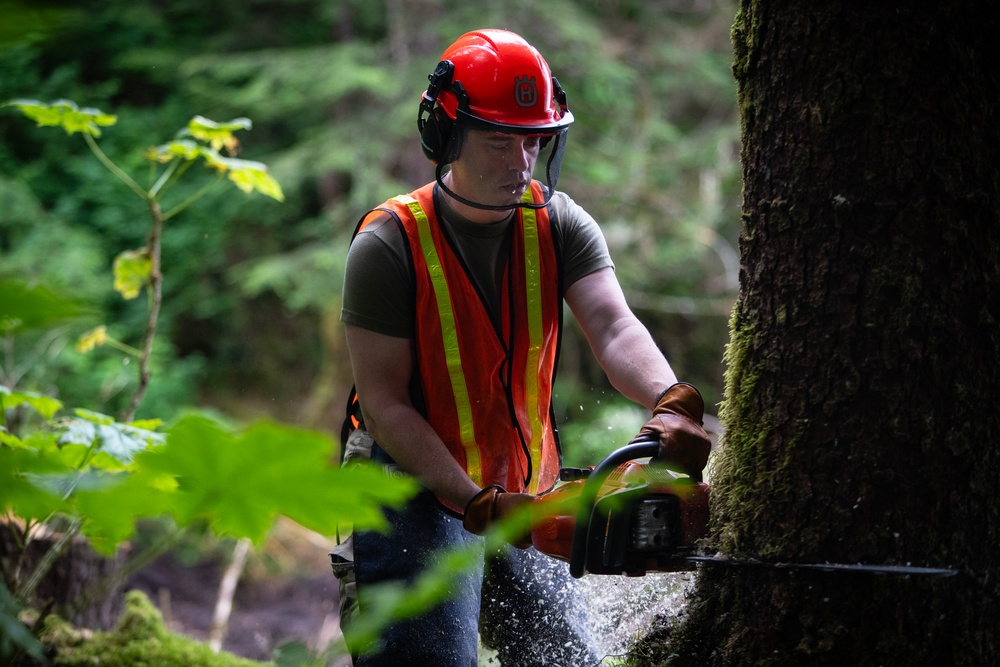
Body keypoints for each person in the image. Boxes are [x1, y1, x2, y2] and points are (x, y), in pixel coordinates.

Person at [333, 28, 711, 666]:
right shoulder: (389, 245)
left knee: (567, 659)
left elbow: (614, 327)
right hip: (409, 490)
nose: (521, 161)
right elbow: (386, 405)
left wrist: (670, 398)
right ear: (448, 136)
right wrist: (477, 502)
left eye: (534, 139)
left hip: (521, 491)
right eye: (499, 139)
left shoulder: (558, 223)